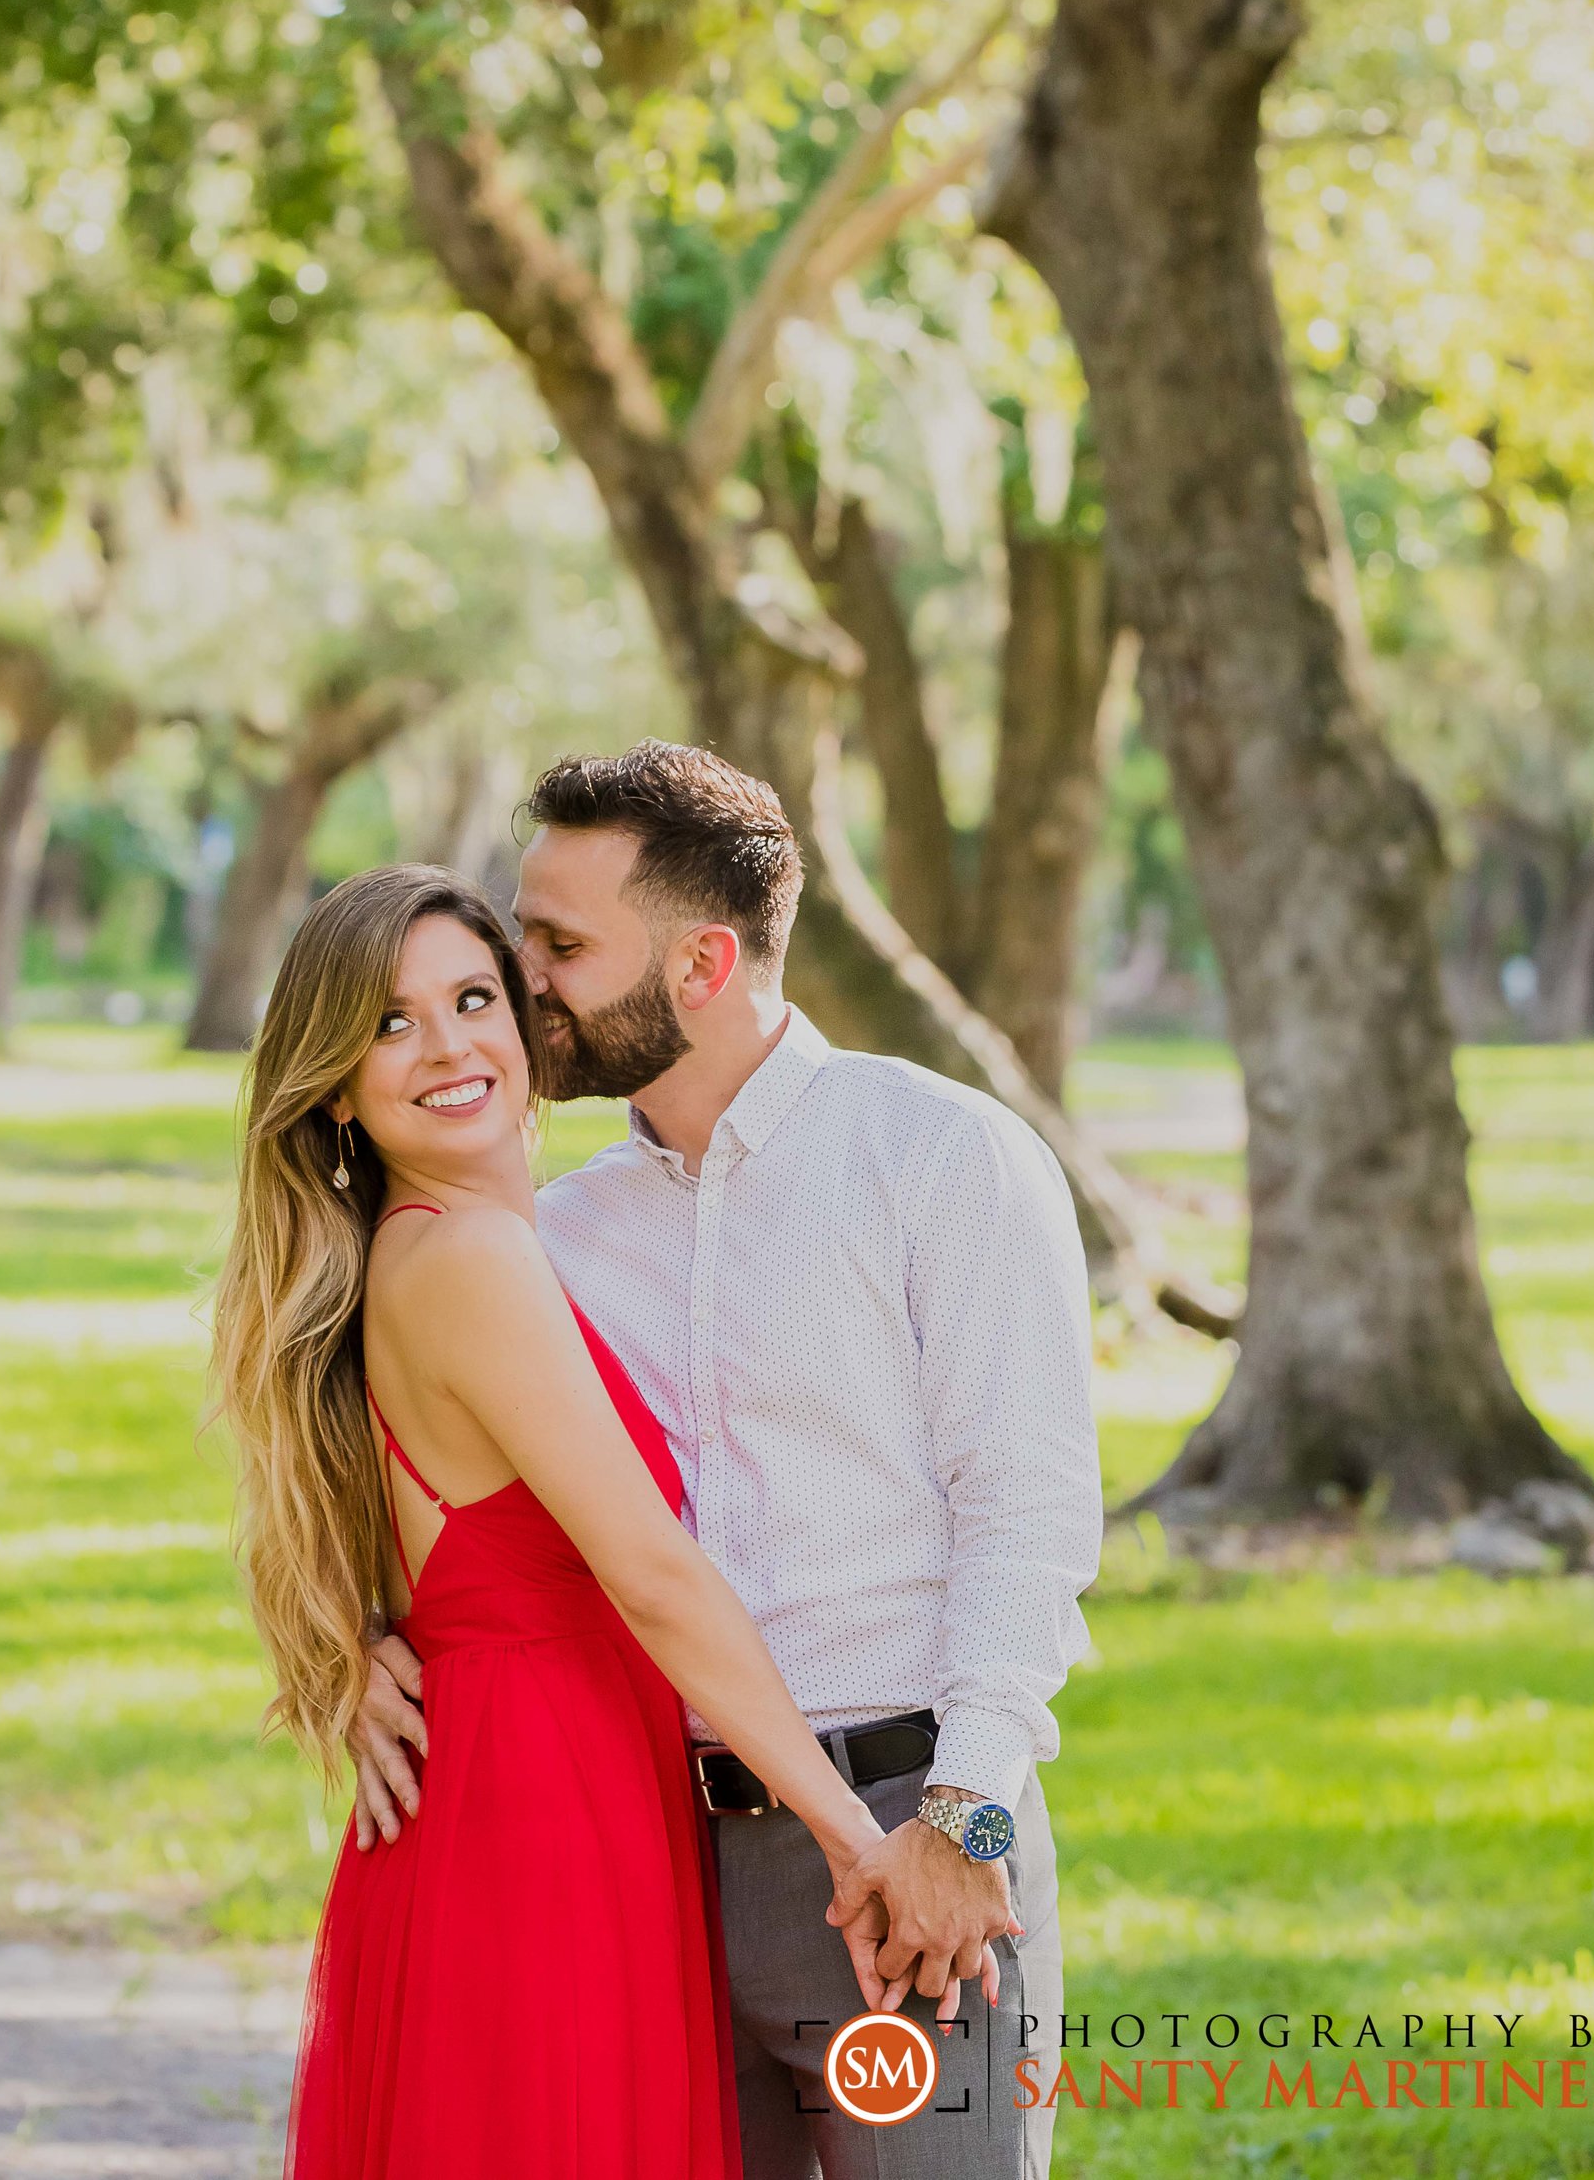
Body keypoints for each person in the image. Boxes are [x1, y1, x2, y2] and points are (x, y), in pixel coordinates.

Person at [350, 745, 1102, 2179]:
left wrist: (963, 1815)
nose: (524, 983)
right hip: (643, 1872)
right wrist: (354, 1633)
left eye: (561, 946)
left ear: (699, 960)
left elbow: (1030, 1520)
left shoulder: (940, 1158)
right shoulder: (550, 1235)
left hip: (907, 1855)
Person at [213, 861, 987, 2180]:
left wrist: (365, 1630)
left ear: (527, 1019)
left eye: (472, 996)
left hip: (534, 1786)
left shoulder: (433, 1245)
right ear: (335, 1082)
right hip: (537, 1816)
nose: (449, 1043)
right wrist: (852, 1833)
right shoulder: (467, 1257)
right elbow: (652, 1572)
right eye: (391, 1022)